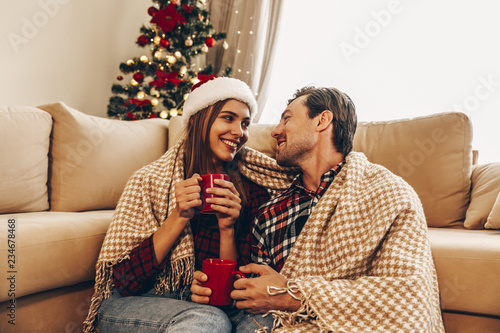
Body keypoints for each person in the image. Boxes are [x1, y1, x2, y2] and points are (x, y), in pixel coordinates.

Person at [191, 86, 446, 332]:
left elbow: (408, 298)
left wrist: (292, 294)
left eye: (287, 119)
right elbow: (253, 295)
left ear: (322, 120)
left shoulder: (388, 194)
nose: (275, 131)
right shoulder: (269, 212)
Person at [83, 76, 296, 333]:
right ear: (199, 119)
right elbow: (125, 282)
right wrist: (179, 215)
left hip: (212, 308)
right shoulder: (150, 181)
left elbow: (234, 292)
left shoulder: (253, 187)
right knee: (208, 321)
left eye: (245, 123)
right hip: (140, 301)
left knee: (263, 322)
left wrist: (227, 229)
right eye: (228, 118)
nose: (239, 132)